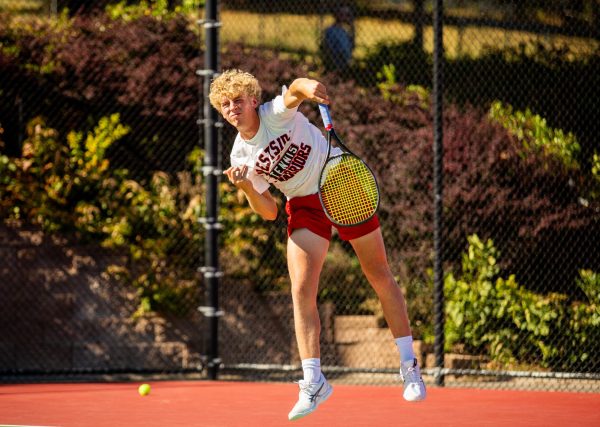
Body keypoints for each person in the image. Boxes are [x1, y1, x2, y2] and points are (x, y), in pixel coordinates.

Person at [210, 69, 426, 421]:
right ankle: (314, 380)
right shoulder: (240, 157)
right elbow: (269, 211)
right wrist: (247, 188)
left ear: (252, 101)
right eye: (225, 104)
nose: (232, 107)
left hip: (339, 181)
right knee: (301, 289)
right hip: (304, 205)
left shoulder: (272, 114)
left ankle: (409, 365)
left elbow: (294, 91)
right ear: (221, 112)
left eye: (237, 101)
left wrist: (306, 87)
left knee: (378, 273)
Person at [321, 6, 355, 74]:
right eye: (342, 14)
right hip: (334, 64)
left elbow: (352, 47)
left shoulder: (345, 32)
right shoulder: (331, 31)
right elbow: (328, 50)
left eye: (347, 14)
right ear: (337, 15)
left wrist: (352, 27)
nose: (345, 17)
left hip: (344, 64)